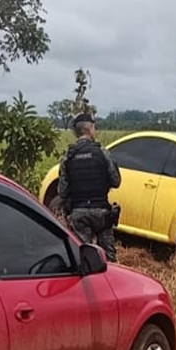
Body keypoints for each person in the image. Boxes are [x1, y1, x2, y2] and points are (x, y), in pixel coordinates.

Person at [57, 112, 121, 262]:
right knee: (109, 261)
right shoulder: (102, 153)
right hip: (102, 214)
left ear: (76, 132)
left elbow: (62, 192)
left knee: (83, 259)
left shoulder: (68, 157)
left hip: (79, 214)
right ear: (90, 128)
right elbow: (116, 181)